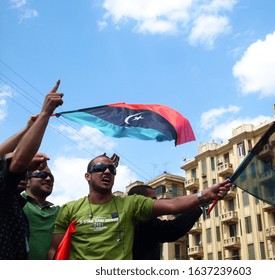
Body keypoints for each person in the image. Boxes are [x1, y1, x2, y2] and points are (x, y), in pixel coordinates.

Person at [48, 154, 232, 260]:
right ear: (87, 176)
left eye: (111, 169)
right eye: (100, 168)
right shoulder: (69, 209)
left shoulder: (131, 204)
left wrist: (204, 196)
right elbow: (54, 251)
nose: (106, 171)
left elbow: (173, 204)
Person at [0, 80, 64, 259]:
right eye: (40, 173)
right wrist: (45, 113)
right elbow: (17, 161)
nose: (47, 178)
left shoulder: (14, 203)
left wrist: (27, 129)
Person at [128, 184, 202, 260]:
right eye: (152, 200)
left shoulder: (127, 223)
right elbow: (173, 229)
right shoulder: (143, 224)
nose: (156, 203)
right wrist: (197, 206)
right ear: (141, 202)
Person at [22, 165, 60, 259]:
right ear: (27, 181)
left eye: (51, 177)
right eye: (41, 174)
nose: (48, 179)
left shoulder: (59, 212)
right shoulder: (14, 202)